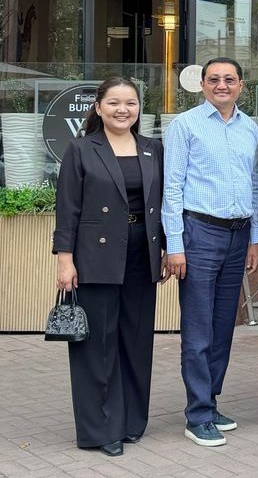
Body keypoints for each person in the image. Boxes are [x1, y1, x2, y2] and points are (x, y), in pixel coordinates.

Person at [54, 76, 166, 457]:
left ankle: (131, 420)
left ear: (139, 108)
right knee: (98, 344)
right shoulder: (82, 149)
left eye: (130, 103)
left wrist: (167, 249)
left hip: (142, 253)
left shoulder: (152, 148)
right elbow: (67, 208)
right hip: (95, 256)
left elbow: (163, 204)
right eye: (114, 103)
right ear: (99, 107)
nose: (123, 110)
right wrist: (65, 259)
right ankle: (102, 428)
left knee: (136, 340)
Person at [162, 57, 258, 447]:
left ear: (240, 85)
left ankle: (210, 400)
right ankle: (198, 414)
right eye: (214, 79)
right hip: (199, 234)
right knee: (198, 328)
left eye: (230, 79)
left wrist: (255, 238)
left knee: (223, 327)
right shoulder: (185, 125)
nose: (222, 85)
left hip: (238, 236)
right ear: (202, 84)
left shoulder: (250, 127)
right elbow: (172, 188)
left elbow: (255, 185)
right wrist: (175, 246)